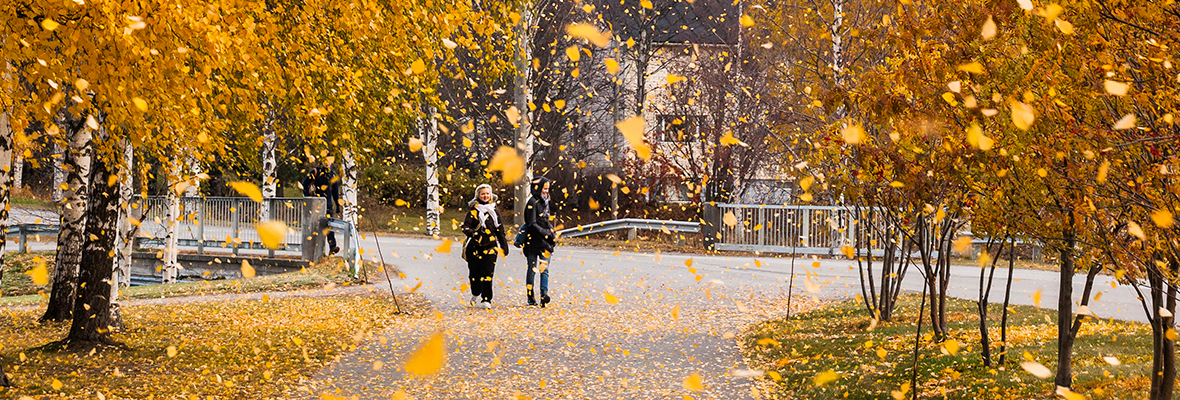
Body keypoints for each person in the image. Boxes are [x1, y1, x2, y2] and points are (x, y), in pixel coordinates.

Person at [462, 184, 510, 309]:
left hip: (490, 246)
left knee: (488, 272)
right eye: (483, 194)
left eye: (487, 193)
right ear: (478, 195)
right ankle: (475, 292)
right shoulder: (473, 210)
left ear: (491, 195)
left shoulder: (494, 210)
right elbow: (466, 226)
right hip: (474, 246)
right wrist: (471, 232)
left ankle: (486, 299)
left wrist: (504, 246)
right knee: (474, 274)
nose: (485, 196)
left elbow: (500, 230)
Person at [522, 176, 556, 307]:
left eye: (548, 189)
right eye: (544, 188)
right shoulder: (532, 202)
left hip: (545, 242)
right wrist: (545, 232)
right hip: (533, 241)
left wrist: (551, 231)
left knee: (545, 269)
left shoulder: (545, 201)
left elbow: (546, 220)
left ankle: (543, 295)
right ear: (538, 188)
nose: (546, 191)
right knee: (532, 269)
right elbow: (531, 223)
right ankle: (530, 297)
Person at [302, 161, 341, 255]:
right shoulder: (315, 172)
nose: (327, 162)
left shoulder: (333, 175)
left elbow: (335, 191)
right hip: (316, 203)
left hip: (328, 204)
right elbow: (304, 185)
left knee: (329, 225)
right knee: (315, 225)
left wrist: (337, 204)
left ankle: (332, 247)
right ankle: (315, 250)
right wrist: (309, 197)